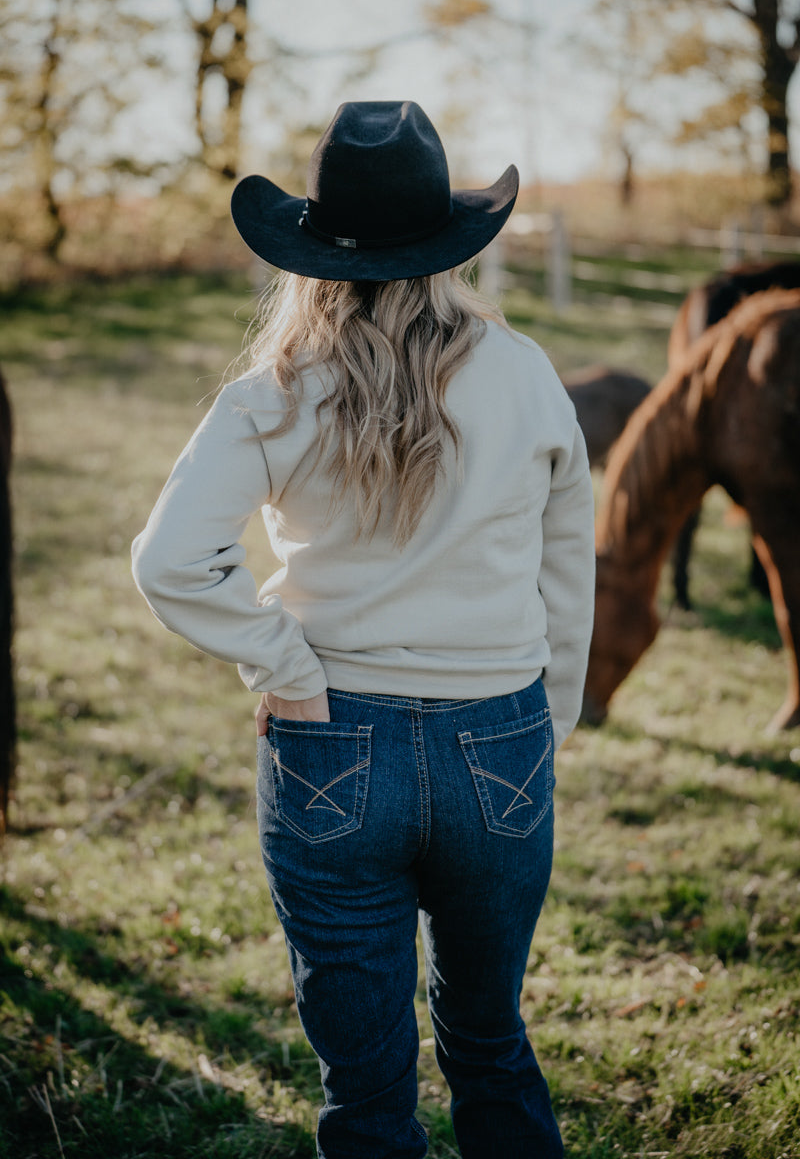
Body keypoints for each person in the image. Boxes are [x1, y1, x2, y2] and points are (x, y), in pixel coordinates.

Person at [132, 100, 595, 1159]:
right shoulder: (523, 372)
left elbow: (169, 562)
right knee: (490, 1041)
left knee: (366, 1091)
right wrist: (548, 715)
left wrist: (280, 662)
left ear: (315, 251)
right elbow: (571, 560)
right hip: (501, 744)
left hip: (328, 741)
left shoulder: (270, 394)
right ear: (446, 243)